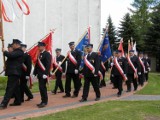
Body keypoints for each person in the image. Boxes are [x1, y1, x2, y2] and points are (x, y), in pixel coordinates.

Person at [0, 39, 24, 109]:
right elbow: (11, 59)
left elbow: (11, 55)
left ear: (16, 44)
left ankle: (4, 104)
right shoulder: (16, 52)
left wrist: (5, 51)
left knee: (9, 88)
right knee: (15, 88)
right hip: (13, 72)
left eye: (13, 44)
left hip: (14, 72)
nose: (12, 46)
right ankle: (18, 101)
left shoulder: (19, 51)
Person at [33, 42, 51, 108]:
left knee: (43, 88)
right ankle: (42, 100)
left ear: (43, 46)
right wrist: (34, 73)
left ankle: (45, 102)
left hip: (44, 75)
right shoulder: (39, 54)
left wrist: (46, 74)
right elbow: (37, 65)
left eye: (39, 46)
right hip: (40, 74)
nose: (38, 47)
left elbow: (48, 64)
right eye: (38, 46)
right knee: (41, 88)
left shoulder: (47, 54)